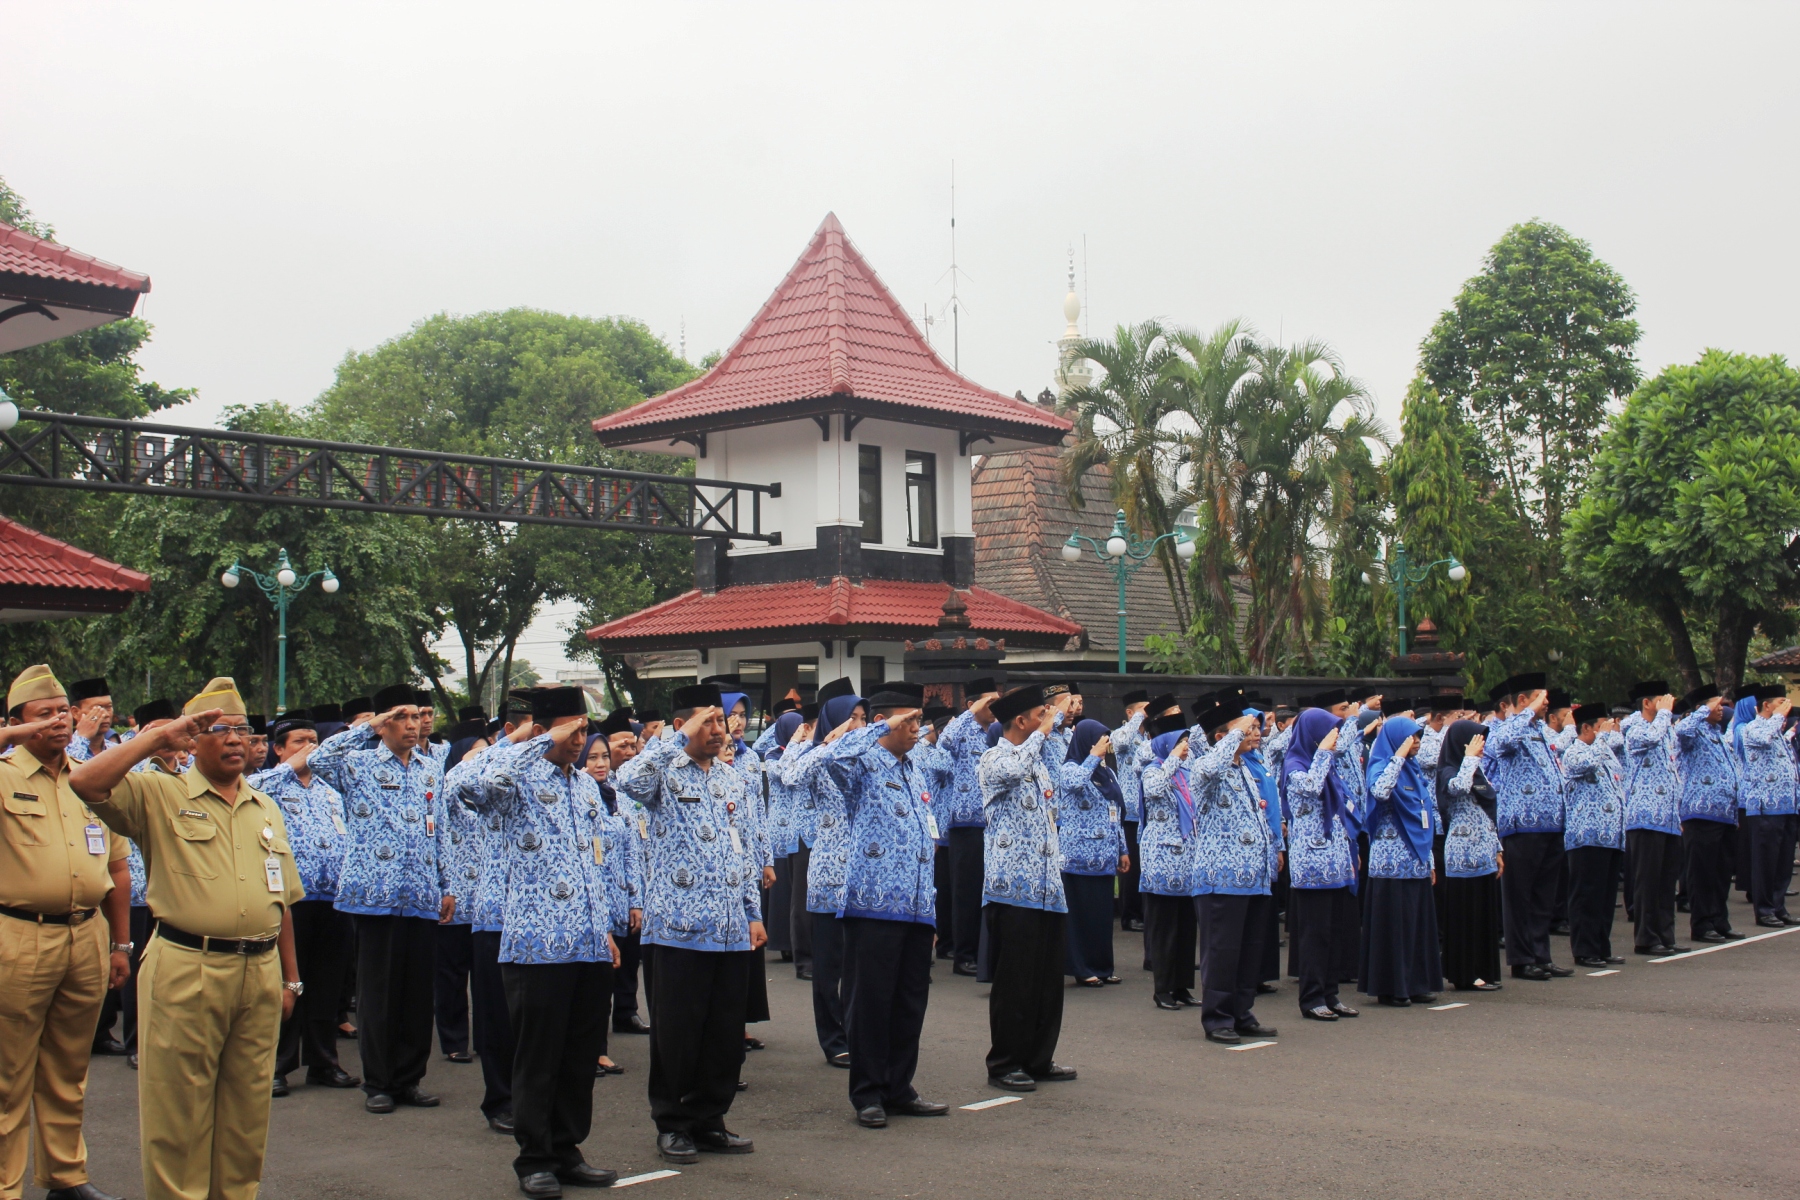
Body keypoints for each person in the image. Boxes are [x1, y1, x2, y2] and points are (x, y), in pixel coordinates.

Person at [72, 677, 305, 1200]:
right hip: (188, 966)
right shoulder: (159, 793)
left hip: (259, 973)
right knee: (179, 1116)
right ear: (191, 739)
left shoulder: (264, 806)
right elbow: (86, 782)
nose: (232, 739)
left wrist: (292, 979)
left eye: (241, 729)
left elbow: (282, 898)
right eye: (215, 729)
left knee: (247, 1119)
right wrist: (156, 739)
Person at [471, 686, 630, 1197]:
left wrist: (605, 929)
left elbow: (595, 861)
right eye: (571, 730)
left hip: (587, 941)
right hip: (536, 943)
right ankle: (534, 1157)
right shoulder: (515, 777)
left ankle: (567, 1149)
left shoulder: (585, 786)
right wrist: (530, 741)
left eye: (585, 730)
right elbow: (470, 787)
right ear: (542, 730)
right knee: (538, 1056)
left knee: (579, 1055)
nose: (581, 740)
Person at [613, 682, 766, 1166]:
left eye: (722, 722)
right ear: (681, 726)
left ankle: (710, 1119)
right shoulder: (662, 773)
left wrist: (752, 911)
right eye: (709, 722)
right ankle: (673, 1123)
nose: (720, 731)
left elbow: (740, 846)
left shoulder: (730, 778)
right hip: (677, 930)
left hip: (729, 930)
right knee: (678, 1035)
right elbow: (628, 780)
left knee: (723, 1036)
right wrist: (672, 742)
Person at [0, 665, 133, 1200]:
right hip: (21, 934)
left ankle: (64, 1176)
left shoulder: (90, 778)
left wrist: (121, 944)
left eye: (62, 712)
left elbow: (119, 869)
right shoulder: (5, 774)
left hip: (86, 935)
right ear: (14, 723)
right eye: (41, 715)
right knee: (9, 1072)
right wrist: (15, 737)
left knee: (68, 1067)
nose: (57, 722)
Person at [310, 682, 447, 1112]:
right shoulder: (359, 764)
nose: (412, 725)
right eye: (401, 717)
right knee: (379, 993)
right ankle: (379, 1081)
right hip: (375, 896)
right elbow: (318, 759)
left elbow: (440, 828)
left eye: (416, 717)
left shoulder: (430, 767)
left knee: (417, 995)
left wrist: (448, 886)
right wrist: (368, 725)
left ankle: (410, 1077)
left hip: (421, 894)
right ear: (384, 722)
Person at [818, 682, 950, 1128]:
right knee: (870, 1003)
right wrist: (880, 727)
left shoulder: (914, 767)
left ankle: (899, 1086)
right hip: (872, 905)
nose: (917, 729)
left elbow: (926, 836)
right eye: (909, 721)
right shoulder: (863, 763)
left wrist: (930, 910)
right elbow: (830, 756)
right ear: (885, 722)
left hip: (915, 906)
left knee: (909, 1003)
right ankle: (868, 1092)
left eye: (917, 720)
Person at [252, 714, 360, 1094]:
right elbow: (248, 787)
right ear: (278, 748)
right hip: (289, 901)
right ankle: (278, 1065)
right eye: (299, 741)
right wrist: (289, 768)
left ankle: (323, 1062)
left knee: (328, 986)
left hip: (332, 900)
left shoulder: (329, 790)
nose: (309, 747)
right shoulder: (269, 786)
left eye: (314, 740)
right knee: (287, 983)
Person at [978, 684, 1076, 1092]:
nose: (1047, 722)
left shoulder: (1039, 760)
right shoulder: (993, 757)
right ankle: (1005, 1062)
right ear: (1021, 721)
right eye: (1040, 714)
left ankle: (1039, 1057)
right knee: (1015, 982)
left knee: (1047, 982)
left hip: (1047, 887)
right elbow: (1012, 770)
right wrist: (1042, 734)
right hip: (1011, 889)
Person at [778, 681, 863, 1067]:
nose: (857, 725)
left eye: (863, 718)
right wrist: (825, 743)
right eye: (852, 718)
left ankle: (858, 1030)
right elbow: (790, 775)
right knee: (829, 967)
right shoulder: (820, 759)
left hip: (864, 875)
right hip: (830, 873)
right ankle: (833, 1039)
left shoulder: (868, 758)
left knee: (859, 967)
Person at [1185, 702, 1282, 1043]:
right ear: (1224, 736)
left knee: (1249, 950)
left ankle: (1242, 1011)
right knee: (1223, 952)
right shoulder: (1205, 767)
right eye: (1244, 729)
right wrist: (1235, 732)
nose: (1253, 733)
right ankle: (1218, 1018)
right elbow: (1209, 766)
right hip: (1221, 878)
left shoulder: (1246, 768)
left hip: (1253, 877)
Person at [443, 726, 517, 1134]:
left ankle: (530, 1098)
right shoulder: (474, 791)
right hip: (488, 913)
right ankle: (501, 1099)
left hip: (536, 918)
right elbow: (458, 780)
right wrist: (505, 744)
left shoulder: (528, 784)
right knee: (495, 1016)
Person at [1484, 675, 1571, 980]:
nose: (1546, 703)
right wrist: (1526, 711)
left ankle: (1541, 954)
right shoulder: (1505, 726)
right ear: (1523, 700)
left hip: (1551, 823)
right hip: (1522, 823)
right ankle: (1521, 958)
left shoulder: (1540, 729)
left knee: (1543, 895)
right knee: (1520, 895)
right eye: (1539, 697)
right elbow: (1498, 744)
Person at [1281, 708, 1361, 1022]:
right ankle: (1312, 997)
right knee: (1315, 935)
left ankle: (1331, 993)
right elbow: (1311, 788)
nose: (1336, 738)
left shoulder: (1326, 764)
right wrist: (1325, 753)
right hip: (1312, 866)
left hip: (1336, 862)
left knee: (1334, 933)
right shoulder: (1295, 765)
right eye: (1330, 732)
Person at [1359, 715, 1443, 1006]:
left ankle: (1417, 982)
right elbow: (1380, 792)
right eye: (1411, 738)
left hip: (1416, 859)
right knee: (1395, 927)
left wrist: (1429, 859)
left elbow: (1426, 816)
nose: (1416, 743)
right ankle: (1392, 986)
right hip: (1391, 861)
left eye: (1418, 738)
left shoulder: (1415, 770)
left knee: (1416, 926)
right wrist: (1396, 758)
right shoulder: (1382, 765)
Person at [1136, 711, 1200, 1010]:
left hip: (1188, 859)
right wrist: (1173, 758)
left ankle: (1182, 986)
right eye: (1179, 742)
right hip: (1162, 859)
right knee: (1165, 928)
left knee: (1187, 927)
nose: (1185, 746)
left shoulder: (1188, 772)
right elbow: (1155, 791)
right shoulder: (1153, 769)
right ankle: (1162, 988)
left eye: (1186, 741)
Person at [1057, 719, 1127, 987]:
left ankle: (1102, 966)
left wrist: (1123, 849)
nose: (1105, 746)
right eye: (1100, 740)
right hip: (1078, 857)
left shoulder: (1107, 773)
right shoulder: (1071, 768)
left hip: (1105, 856)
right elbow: (1074, 784)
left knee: (1101, 916)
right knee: (1080, 917)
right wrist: (1092, 757)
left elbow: (1116, 813)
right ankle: (1082, 968)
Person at [1435, 720, 1504, 991]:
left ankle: (1483, 970)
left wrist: (1497, 848)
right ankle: (1464, 974)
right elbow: (1458, 788)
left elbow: (1487, 812)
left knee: (1483, 916)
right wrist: (1469, 760)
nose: (1482, 746)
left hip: (1484, 850)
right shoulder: (1450, 770)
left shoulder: (1477, 770)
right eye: (1477, 741)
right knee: (1465, 917)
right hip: (1462, 853)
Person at [1674, 684, 1744, 944]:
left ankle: (1719, 920)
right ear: (1701, 708)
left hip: (1724, 814)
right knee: (1702, 873)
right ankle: (1702, 924)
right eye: (1717, 705)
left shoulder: (1717, 732)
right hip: (1701, 813)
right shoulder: (1693, 731)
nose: (1721, 710)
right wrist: (1703, 709)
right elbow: (1681, 729)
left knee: (1721, 873)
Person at [939, 677, 1000, 975]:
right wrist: (969, 714)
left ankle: (986, 952)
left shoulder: (997, 733)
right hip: (966, 822)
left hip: (994, 822)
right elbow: (944, 741)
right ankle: (964, 954)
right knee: (966, 892)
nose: (994, 708)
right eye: (989, 702)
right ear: (971, 704)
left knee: (989, 891)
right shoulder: (963, 731)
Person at [1623, 681, 1686, 955]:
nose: (1666, 704)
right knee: (1647, 881)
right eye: (1660, 700)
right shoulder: (1633, 728)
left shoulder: (1666, 729)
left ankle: (1665, 935)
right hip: (1645, 815)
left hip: (1669, 815)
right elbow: (1648, 739)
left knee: (1665, 880)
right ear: (1647, 703)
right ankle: (1646, 938)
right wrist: (1664, 715)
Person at [1561, 704, 1627, 966]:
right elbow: (1584, 765)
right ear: (1586, 727)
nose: (1607, 730)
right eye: (1601, 725)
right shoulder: (1573, 751)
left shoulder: (1606, 750)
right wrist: (1603, 739)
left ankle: (1601, 946)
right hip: (1586, 835)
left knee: (1606, 895)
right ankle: (1585, 949)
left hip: (1611, 834)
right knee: (1586, 894)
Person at [1735, 685, 1799, 927]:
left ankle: (1778, 906)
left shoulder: (1778, 734)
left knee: (1783, 862)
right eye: (1781, 702)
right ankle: (1764, 909)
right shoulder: (1752, 728)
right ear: (1766, 705)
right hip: (1765, 807)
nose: (1786, 706)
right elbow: (1762, 739)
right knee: (1766, 862)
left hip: (1787, 807)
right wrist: (1781, 717)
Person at [1110, 690, 1151, 932]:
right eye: (1144, 708)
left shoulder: (1148, 738)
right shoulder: (1123, 733)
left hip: (1147, 810)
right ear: (1130, 712)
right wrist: (1137, 717)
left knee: (1145, 864)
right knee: (1131, 866)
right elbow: (1120, 742)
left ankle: (1143, 912)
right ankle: (1130, 915)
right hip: (1130, 811)